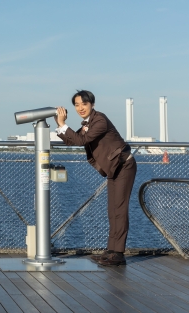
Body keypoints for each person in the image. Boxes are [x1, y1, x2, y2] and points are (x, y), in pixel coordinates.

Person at [54, 90, 136, 266]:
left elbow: (82, 141)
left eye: (84, 104)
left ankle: (119, 254)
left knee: (119, 210)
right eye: (77, 105)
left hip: (124, 165)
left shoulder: (100, 120)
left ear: (92, 104)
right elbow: (72, 140)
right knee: (112, 210)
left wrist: (62, 124)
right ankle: (112, 250)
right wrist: (61, 123)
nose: (80, 108)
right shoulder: (88, 123)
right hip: (114, 168)